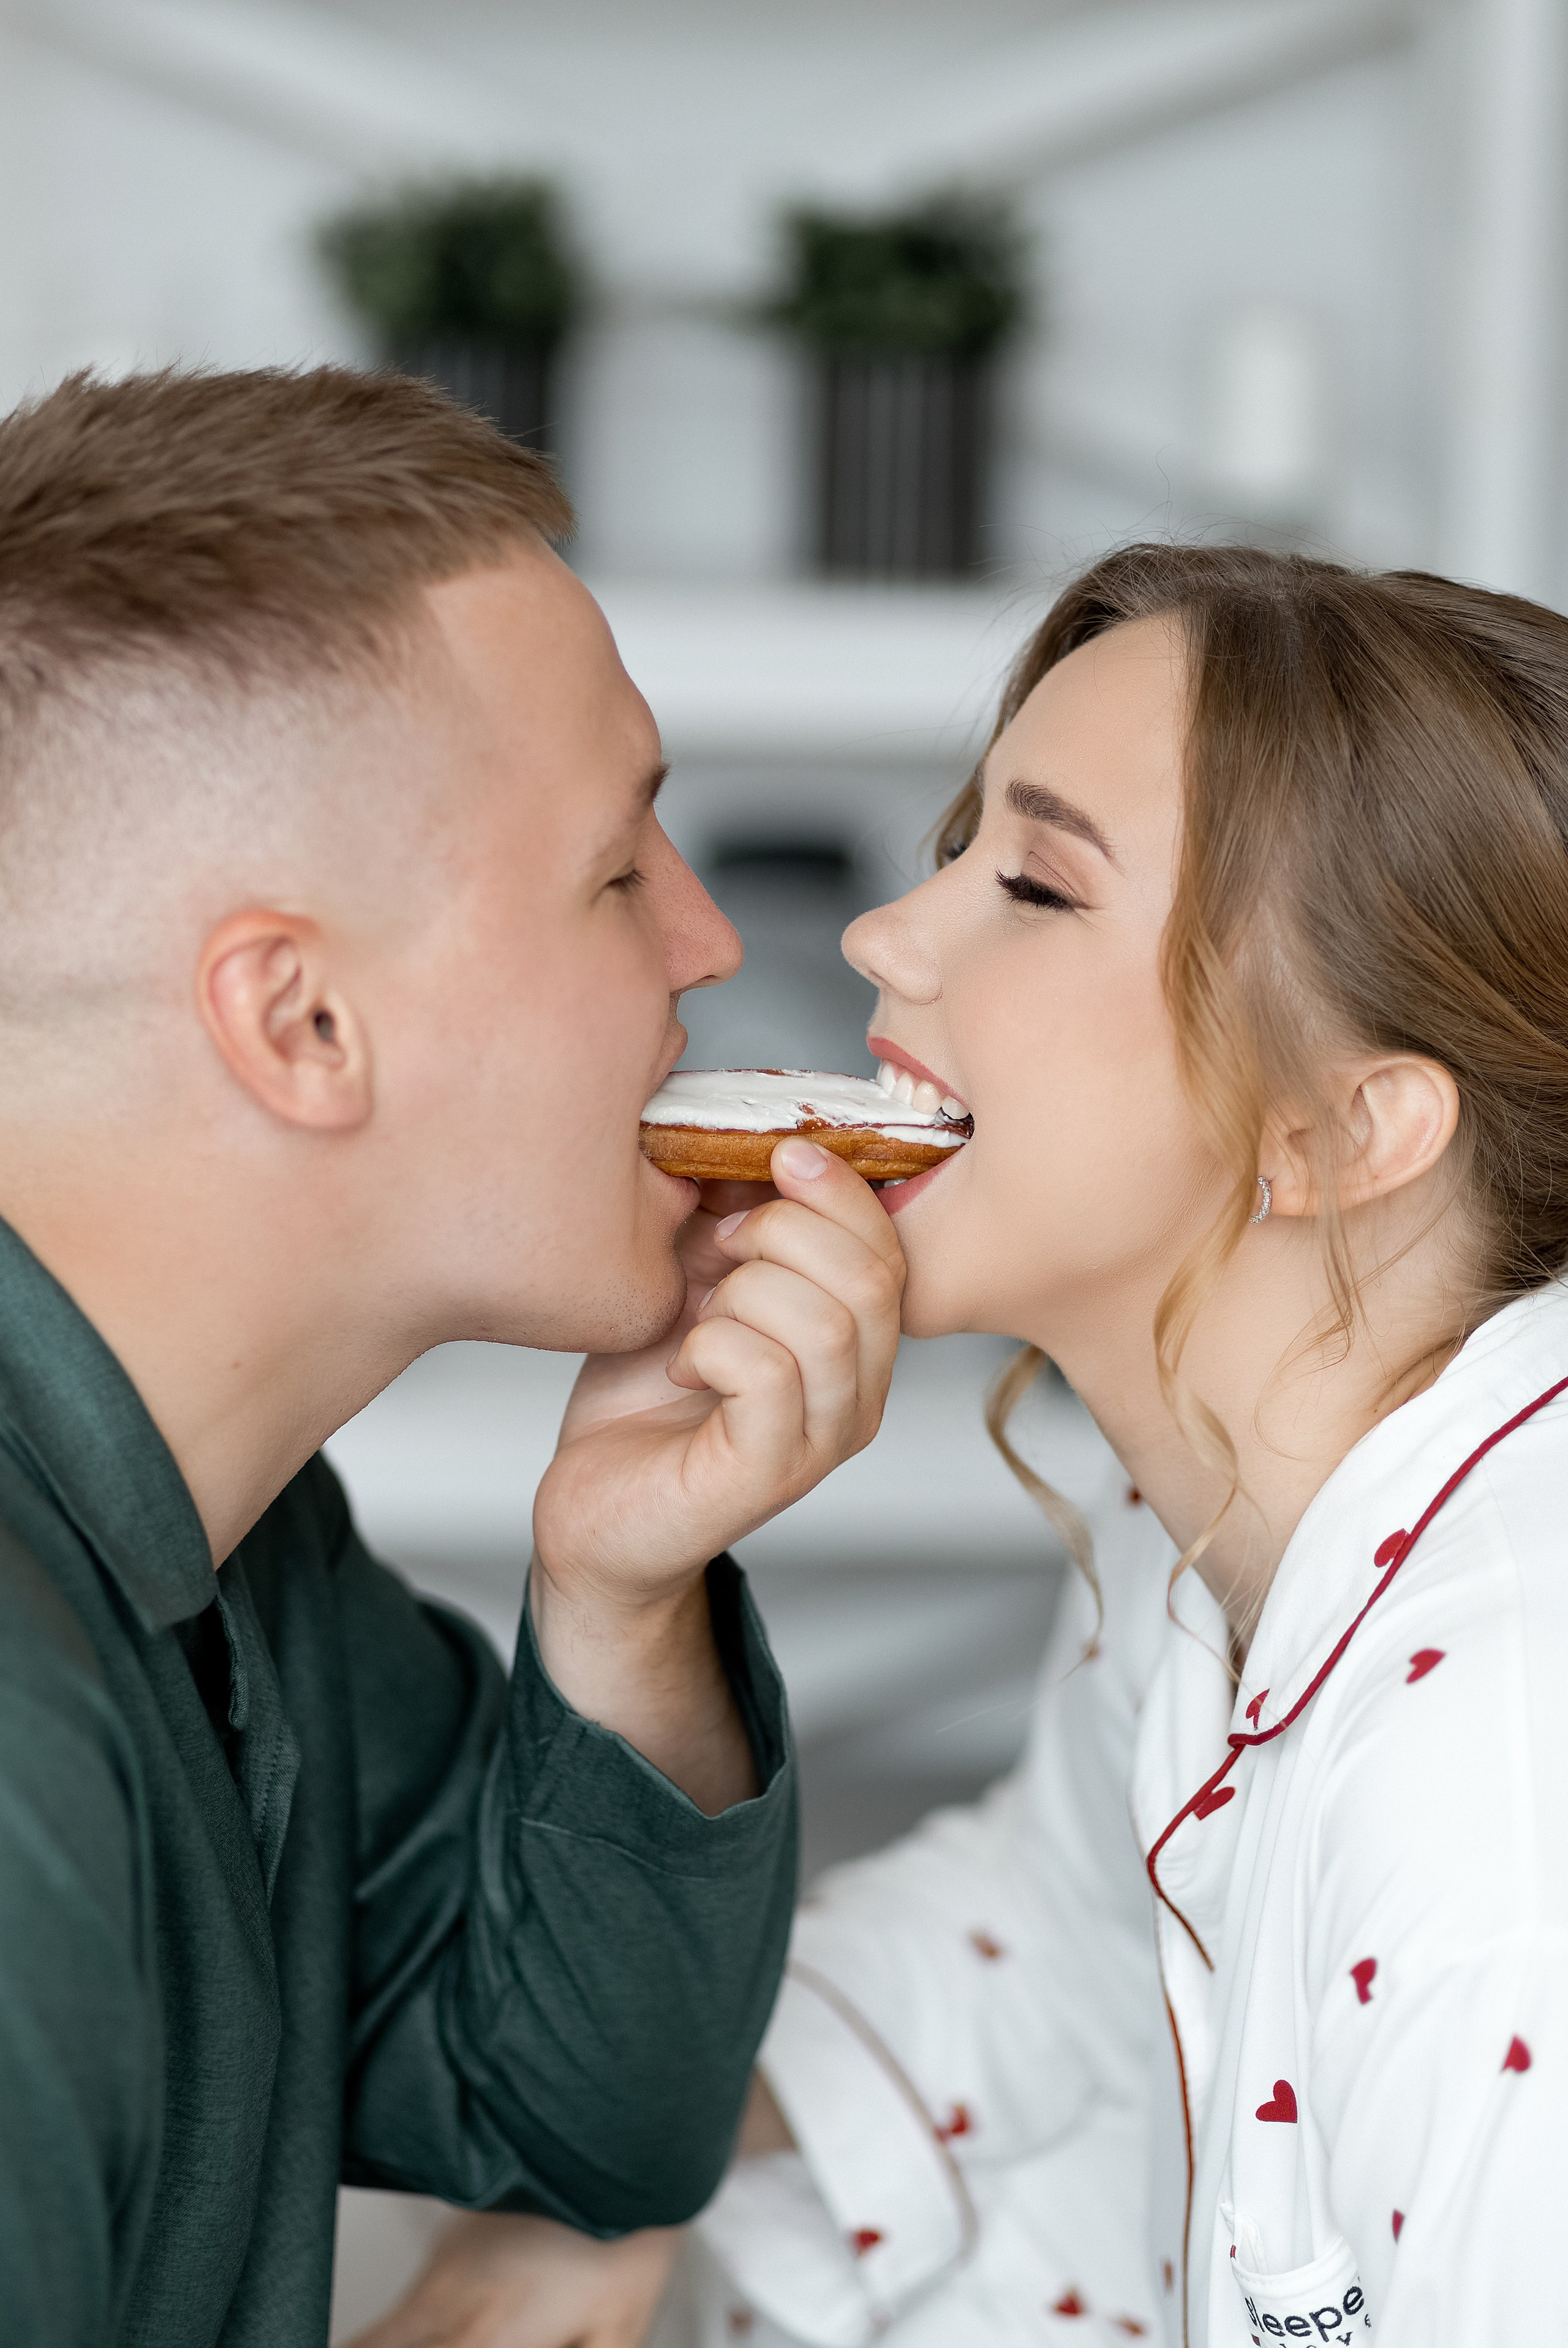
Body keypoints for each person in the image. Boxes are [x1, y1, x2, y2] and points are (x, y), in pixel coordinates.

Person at [384, 542, 1568, 2346]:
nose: (883, 936)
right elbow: (1057, 1932)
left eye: (1033, 883)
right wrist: (617, 2185)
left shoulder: (1496, 1786)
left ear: (1339, 1131)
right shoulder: (1200, 1533)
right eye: (960, 848)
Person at [0, 364, 910, 2348]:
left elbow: (577, 2124)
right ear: (303, 1025)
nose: (700, 945)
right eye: (613, 871)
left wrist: (623, 1593)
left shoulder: (249, 1545)